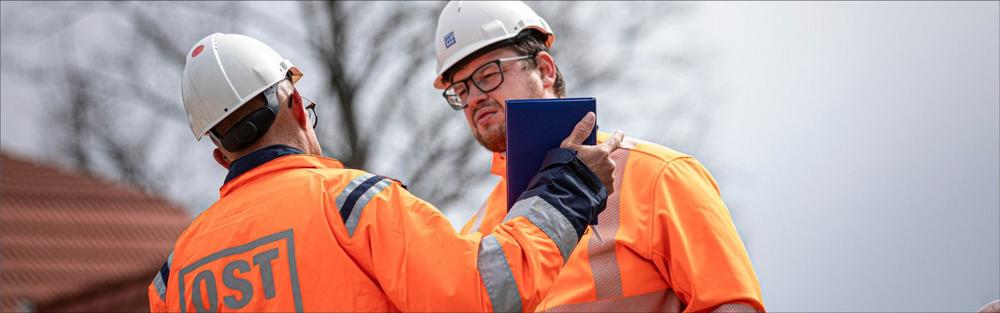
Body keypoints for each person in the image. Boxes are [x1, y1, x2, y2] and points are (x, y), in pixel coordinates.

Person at [147, 33, 622, 312]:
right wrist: (570, 188)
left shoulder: (176, 274)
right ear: (295, 103)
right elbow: (485, 288)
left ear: (220, 156)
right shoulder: (351, 203)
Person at [432, 1, 766, 312]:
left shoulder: (658, 177)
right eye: (460, 90)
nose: (474, 97)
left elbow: (732, 306)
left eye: (488, 75)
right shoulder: (475, 236)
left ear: (545, 70)